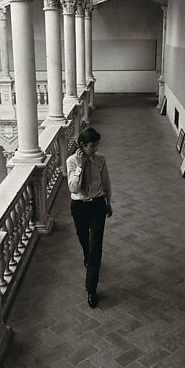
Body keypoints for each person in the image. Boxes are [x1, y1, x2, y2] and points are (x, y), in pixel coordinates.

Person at [66, 126, 113, 308]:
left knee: (96, 246)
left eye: (96, 145)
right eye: (92, 146)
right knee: (83, 238)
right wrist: (79, 166)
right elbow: (73, 188)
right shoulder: (71, 161)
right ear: (82, 145)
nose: (95, 149)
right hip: (78, 206)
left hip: (97, 204)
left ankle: (91, 290)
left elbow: (106, 182)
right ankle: (87, 255)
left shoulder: (101, 160)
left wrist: (108, 202)